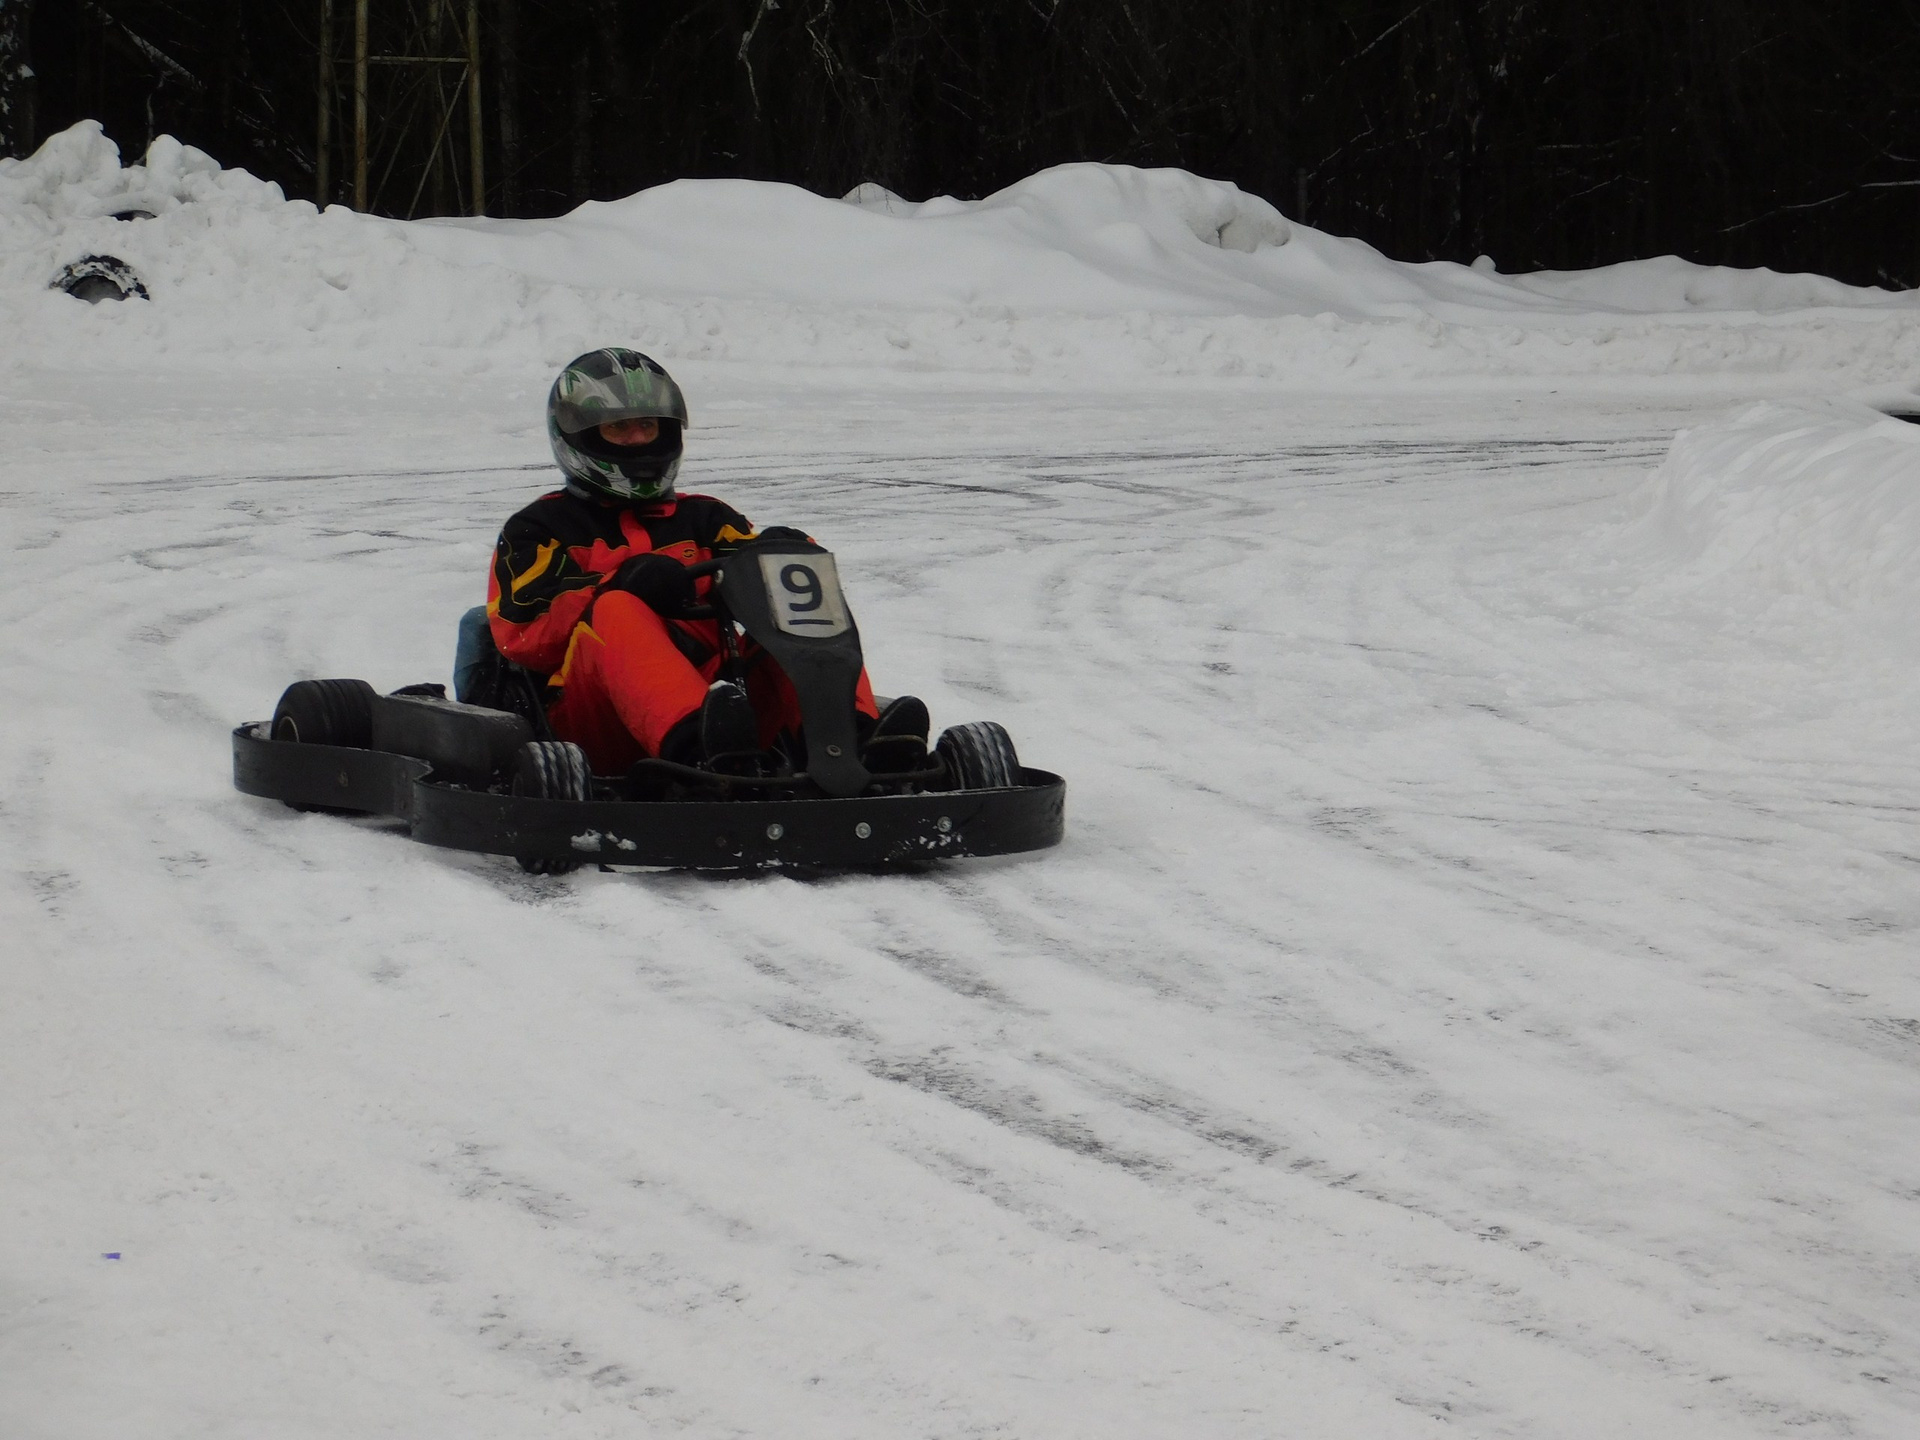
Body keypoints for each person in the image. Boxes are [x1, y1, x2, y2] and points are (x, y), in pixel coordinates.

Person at [481, 347, 926, 776]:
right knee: (617, 608)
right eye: (618, 428)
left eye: (647, 426)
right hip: (593, 718)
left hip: (726, 707)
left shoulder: (708, 519)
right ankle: (699, 750)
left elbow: (774, 581)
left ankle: (853, 741)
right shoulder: (538, 528)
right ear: (579, 437)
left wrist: (787, 552)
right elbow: (522, 632)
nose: (636, 440)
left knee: (801, 593)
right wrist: (618, 585)